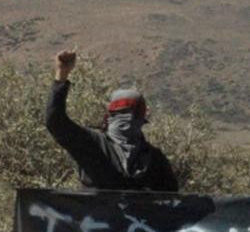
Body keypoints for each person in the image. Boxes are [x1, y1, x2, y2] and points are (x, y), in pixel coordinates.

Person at [45, 50, 178, 192]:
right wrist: (61, 73)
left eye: (133, 115)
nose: (128, 121)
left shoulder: (155, 159)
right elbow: (55, 122)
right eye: (122, 114)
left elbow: (170, 200)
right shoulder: (91, 144)